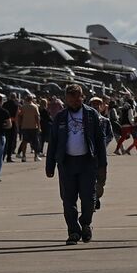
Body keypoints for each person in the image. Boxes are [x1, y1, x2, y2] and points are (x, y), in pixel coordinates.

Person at [45, 85, 108, 244]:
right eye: (71, 98)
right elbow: (53, 142)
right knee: (68, 199)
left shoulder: (91, 114)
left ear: (83, 97)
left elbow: (100, 141)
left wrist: (103, 165)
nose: (74, 101)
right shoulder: (60, 117)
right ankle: (73, 231)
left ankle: (85, 223)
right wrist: (50, 165)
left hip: (87, 162)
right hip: (66, 164)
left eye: (77, 97)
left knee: (89, 198)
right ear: (66, 99)